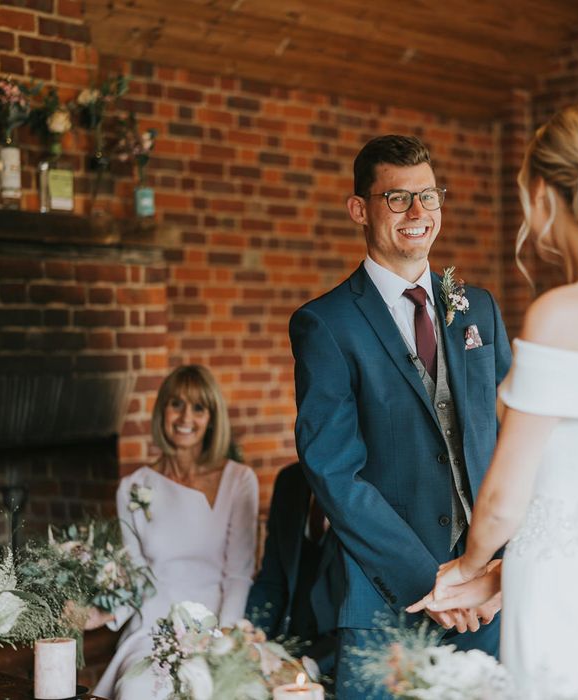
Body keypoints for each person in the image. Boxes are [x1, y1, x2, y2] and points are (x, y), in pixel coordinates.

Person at [409, 103, 578, 699]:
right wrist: (501, 576)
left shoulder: (560, 316)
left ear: (543, 194)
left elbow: (506, 499)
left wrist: (468, 566)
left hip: (563, 591)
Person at [289, 134, 513, 698]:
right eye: (397, 199)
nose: (418, 213)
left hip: (487, 595)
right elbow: (335, 473)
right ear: (359, 210)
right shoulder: (326, 324)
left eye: (429, 195)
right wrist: (431, 583)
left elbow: (512, 438)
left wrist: (494, 570)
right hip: (382, 600)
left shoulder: (477, 307)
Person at [92, 365, 259, 700]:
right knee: (138, 689)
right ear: (162, 411)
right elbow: (136, 574)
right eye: (176, 404)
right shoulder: (133, 487)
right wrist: (105, 612)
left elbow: (238, 576)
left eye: (199, 407)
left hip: (214, 626)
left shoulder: (238, 481)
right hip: (153, 626)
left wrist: (224, 641)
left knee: (209, 689)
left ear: (212, 417)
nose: (186, 417)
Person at [245, 461, 345, 685]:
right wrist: (251, 636)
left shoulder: (374, 478)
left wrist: (312, 664)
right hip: (285, 649)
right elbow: (272, 579)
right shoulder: (289, 480)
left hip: (343, 658)